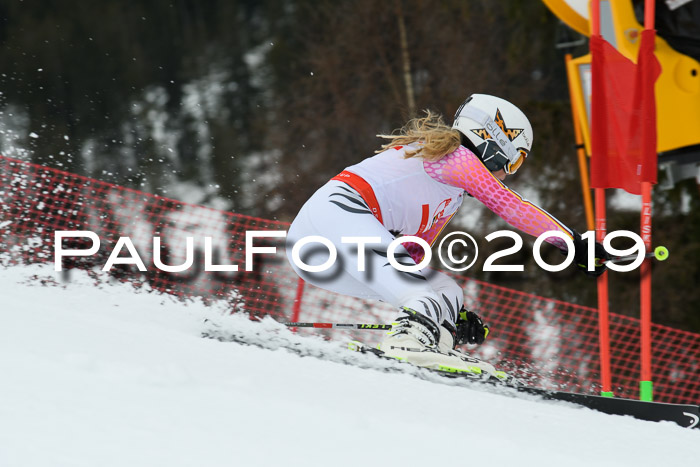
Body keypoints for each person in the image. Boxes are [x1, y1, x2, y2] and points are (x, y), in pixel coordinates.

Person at [285, 94, 608, 375]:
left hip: (323, 258)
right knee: (423, 296)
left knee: (445, 292)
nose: (508, 173)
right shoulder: (455, 158)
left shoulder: (451, 192)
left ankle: (430, 342)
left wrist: (450, 315)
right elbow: (509, 204)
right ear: (493, 144)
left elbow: (410, 255)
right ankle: (407, 343)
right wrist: (574, 244)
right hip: (335, 215)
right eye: (513, 162)